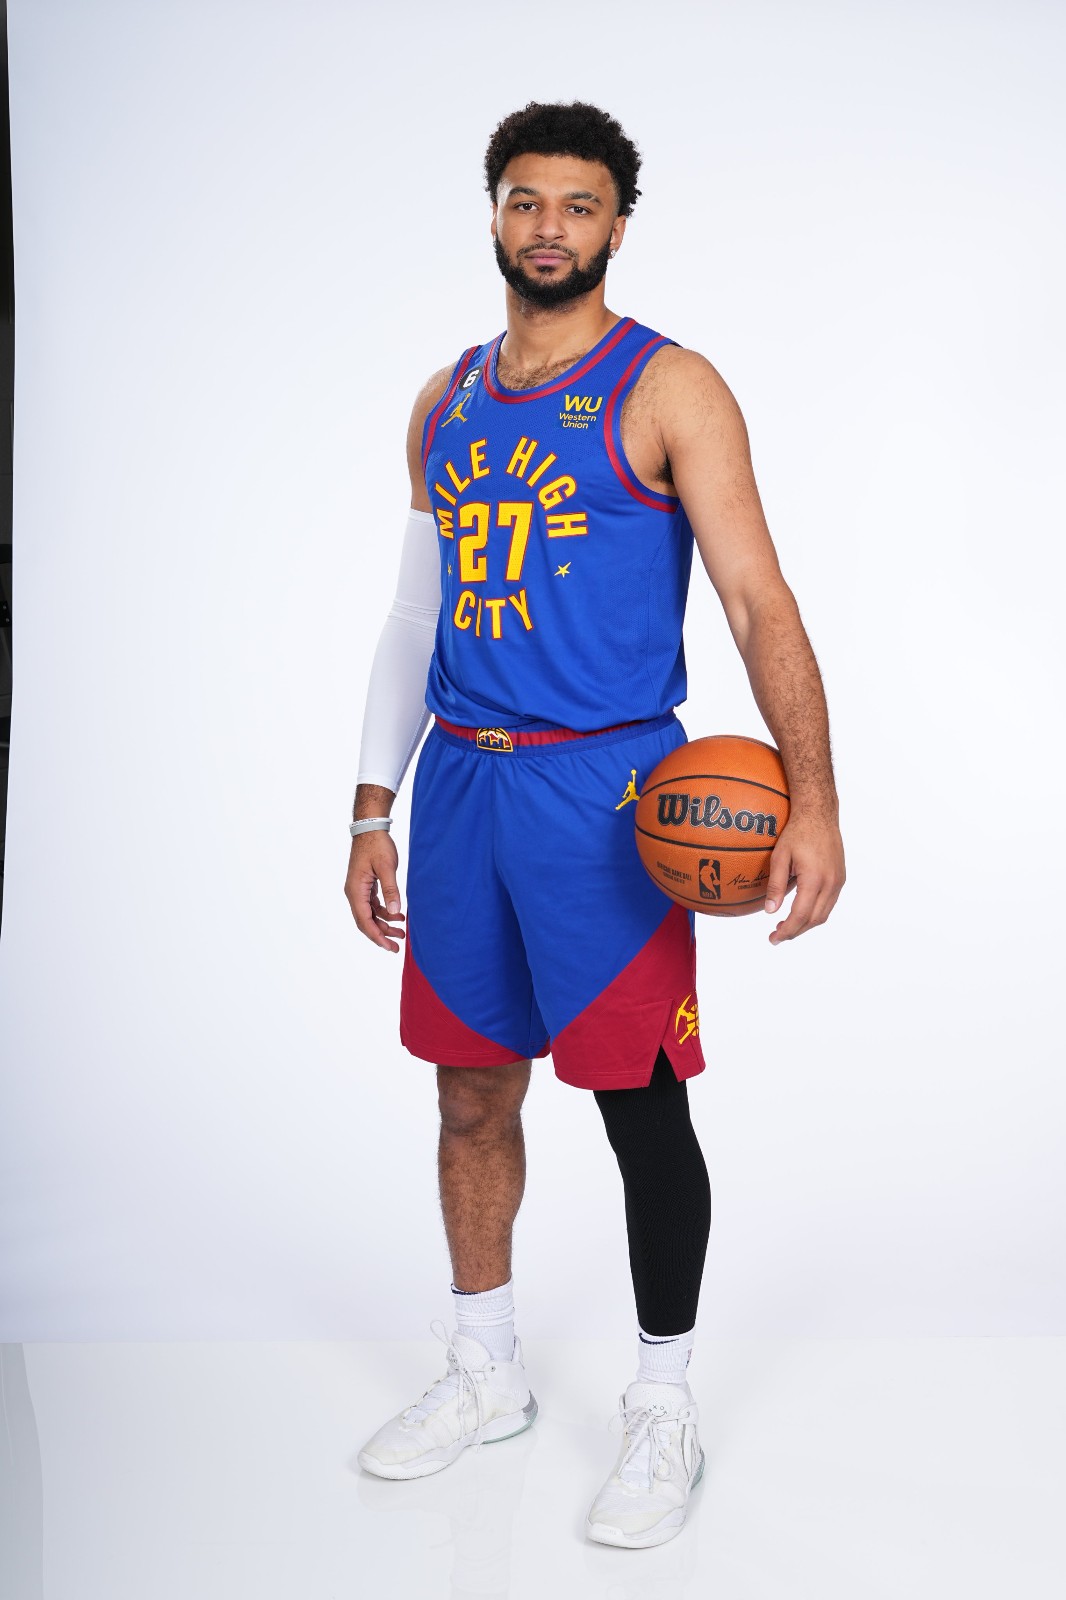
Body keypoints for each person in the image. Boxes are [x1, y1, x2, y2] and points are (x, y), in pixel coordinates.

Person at [344, 100, 845, 1549]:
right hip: (462, 786)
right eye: (525, 200)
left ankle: (662, 1403)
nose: (548, 226)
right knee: (468, 1093)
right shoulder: (444, 401)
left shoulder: (668, 387)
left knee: (639, 1104)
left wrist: (813, 797)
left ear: (619, 222)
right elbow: (414, 615)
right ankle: (484, 1368)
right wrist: (372, 801)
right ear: (493, 215)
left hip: (610, 793)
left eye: (577, 204)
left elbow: (755, 598)